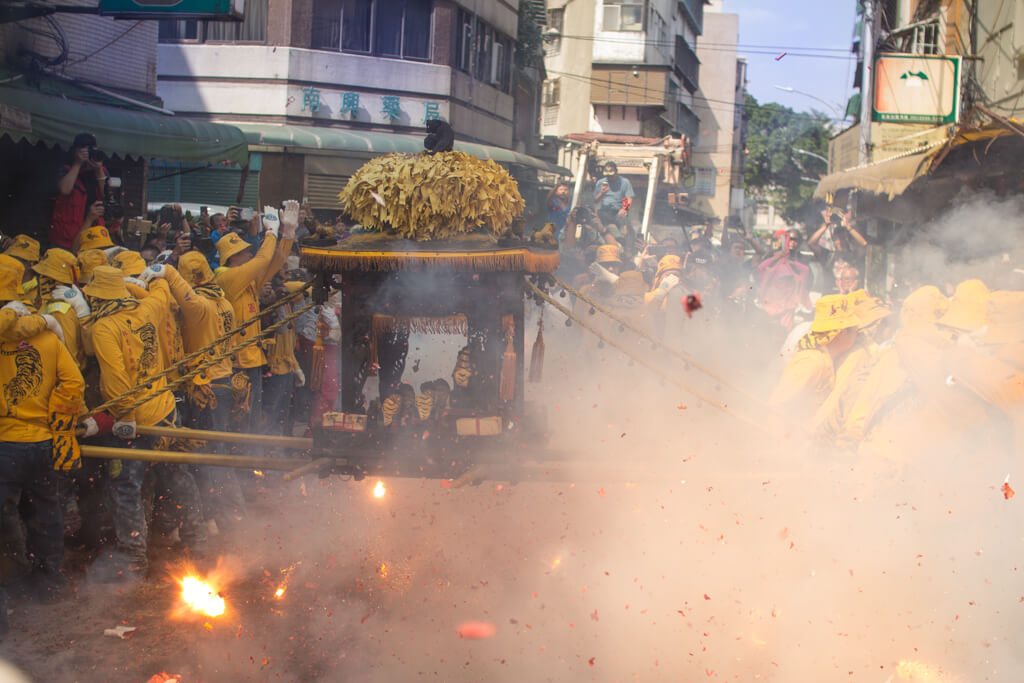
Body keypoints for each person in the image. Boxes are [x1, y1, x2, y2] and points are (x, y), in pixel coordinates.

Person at [85, 266, 206, 582]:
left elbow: (115, 384)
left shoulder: (103, 328)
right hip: (167, 411)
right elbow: (162, 290)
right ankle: (197, 539)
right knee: (174, 473)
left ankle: (134, 557)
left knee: (126, 485)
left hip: (138, 420)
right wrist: (147, 279)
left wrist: (124, 420)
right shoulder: (148, 309)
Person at [139, 255, 247, 530]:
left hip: (207, 389)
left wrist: (165, 272)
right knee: (218, 453)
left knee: (206, 456)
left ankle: (215, 519)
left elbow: (185, 297)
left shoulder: (198, 306)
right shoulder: (222, 300)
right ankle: (232, 517)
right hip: (222, 384)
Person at [0, 262, 84, 611]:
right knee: (47, 511)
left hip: (4, 444)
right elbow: (74, 384)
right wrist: (57, 421)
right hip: (44, 443)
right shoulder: (48, 336)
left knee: (4, 514)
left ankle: (13, 578)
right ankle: (49, 581)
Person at [214, 203, 297, 437]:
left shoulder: (247, 282)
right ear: (233, 258)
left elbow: (275, 261)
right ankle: (233, 468)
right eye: (244, 252)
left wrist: (287, 233)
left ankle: (250, 467)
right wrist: (270, 231)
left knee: (252, 420)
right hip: (235, 364)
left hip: (251, 360)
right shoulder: (227, 279)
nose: (249, 254)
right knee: (237, 421)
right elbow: (262, 260)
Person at [769, 293, 860, 417]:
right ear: (843, 332)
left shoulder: (825, 358)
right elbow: (777, 407)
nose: (858, 335)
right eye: (856, 330)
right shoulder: (812, 361)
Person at [260, 278, 305, 436]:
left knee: (283, 414)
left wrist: (296, 367)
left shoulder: (288, 306)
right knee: (270, 410)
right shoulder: (275, 305)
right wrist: (277, 301)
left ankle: (279, 448)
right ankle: (265, 449)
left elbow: (289, 347)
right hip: (273, 368)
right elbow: (281, 329)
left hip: (287, 369)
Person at [50, 133, 107, 250]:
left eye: (90, 148)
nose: (87, 151)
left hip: (94, 237)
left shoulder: (101, 171)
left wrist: (99, 170)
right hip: (65, 239)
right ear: (74, 150)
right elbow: (65, 190)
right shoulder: (67, 169)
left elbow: (106, 195)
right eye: (83, 147)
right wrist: (78, 163)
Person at [592, 162, 634, 247]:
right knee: (600, 220)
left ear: (616, 172)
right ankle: (609, 237)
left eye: (611, 176)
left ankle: (623, 241)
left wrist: (624, 209)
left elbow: (628, 198)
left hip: (618, 211)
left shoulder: (624, 182)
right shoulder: (601, 182)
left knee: (622, 219)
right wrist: (601, 193)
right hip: (605, 211)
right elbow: (595, 200)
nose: (610, 178)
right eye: (608, 176)